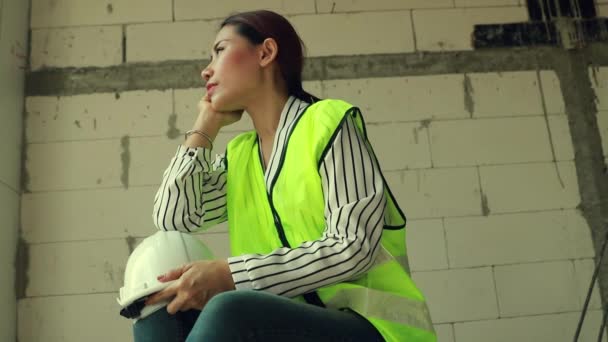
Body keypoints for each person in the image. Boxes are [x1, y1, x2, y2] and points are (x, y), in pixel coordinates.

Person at [134, 9, 436, 342]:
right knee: (157, 300)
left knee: (229, 310)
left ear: (265, 52)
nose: (206, 69)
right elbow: (174, 218)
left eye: (220, 51)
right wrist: (206, 125)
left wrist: (232, 274)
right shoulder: (241, 157)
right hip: (287, 328)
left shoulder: (326, 122)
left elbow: (353, 246)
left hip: (375, 329)